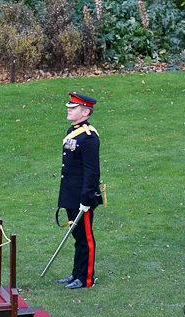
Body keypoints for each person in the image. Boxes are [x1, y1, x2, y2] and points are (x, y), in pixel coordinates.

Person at [56, 92, 103, 289]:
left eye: (73, 108)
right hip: (71, 193)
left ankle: (86, 278)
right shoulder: (73, 130)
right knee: (77, 236)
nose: (69, 109)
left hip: (82, 196)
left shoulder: (89, 138)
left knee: (85, 239)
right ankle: (77, 273)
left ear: (85, 112)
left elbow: (92, 172)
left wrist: (86, 199)